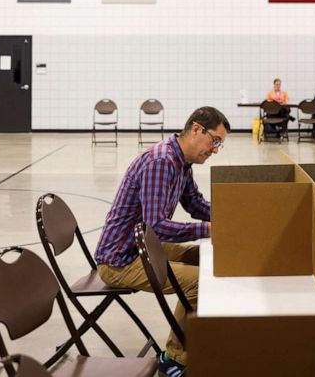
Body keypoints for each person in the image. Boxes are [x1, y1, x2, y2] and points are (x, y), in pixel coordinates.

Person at [94, 107, 230, 376]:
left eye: (219, 145)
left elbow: (195, 205)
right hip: (121, 259)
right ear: (196, 129)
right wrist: (210, 229)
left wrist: (230, 214)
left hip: (143, 247)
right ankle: (175, 359)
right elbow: (157, 226)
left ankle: (195, 340)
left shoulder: (182, 162)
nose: (215, 150)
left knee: (203, 259)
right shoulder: (162, 161)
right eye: (214, 141)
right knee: (200, 284)